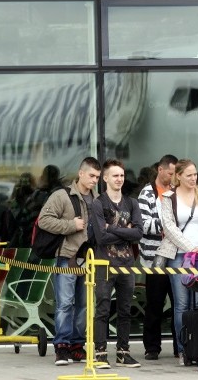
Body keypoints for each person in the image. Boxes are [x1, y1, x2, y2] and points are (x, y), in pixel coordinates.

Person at [38, 157, 101, 366]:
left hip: (88, 259)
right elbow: (44, 220)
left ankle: (76, 345)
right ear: (80, 173)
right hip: (67, 257)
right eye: (91, 175)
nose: (94, 180)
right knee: (65, 303)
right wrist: (70, 225)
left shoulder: (98, 198)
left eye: (97, 177)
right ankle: (62, 346)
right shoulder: (62, 195)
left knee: (83, 305)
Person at [157, 159, 198, 364]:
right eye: (188, 175)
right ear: (178, 176)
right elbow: (169, 228)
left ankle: (197, 347)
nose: (193, 178)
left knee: (197, 302)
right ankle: (183, 349)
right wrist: (190, 247)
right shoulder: (168, 197)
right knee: (181, 303)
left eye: (195, 174)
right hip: (180, 255)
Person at [91, 159, 144, 369]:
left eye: (121, 175)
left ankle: (123, 352)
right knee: (102, 308)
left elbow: (138, 233)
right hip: (104, 264)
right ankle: (100, 353)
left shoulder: (132, 203)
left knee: (125, 309)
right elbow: (100, 237)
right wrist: (125, 232)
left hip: (127, 264)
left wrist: (112, 229)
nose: (119, 179)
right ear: (105, 178)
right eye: (115, 175)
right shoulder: (98, 203)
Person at [137, 154, 179, 360]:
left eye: (175, 174)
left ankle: (181, 345)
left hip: (178, 255)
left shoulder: (179, 193)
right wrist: (169, 228)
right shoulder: (147, 193)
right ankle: (152, 347)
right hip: (155, 256)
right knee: (155, 302)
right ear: (160, 170)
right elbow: (143, 224)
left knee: (179, 303)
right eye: (170, 173)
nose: (172, 177)